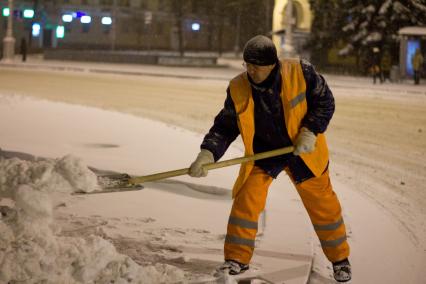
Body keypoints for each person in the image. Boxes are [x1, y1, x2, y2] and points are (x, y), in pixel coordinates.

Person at [188, 35, 351, 282]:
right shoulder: (238, 87)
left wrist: (310, 130)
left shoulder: (301, 72)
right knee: (246, 201)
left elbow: (325, 102)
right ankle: (236, 259)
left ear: (272, 64)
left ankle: (340, 260)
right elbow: (225, 126)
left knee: (323, 206)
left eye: (256, 66)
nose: (251, 71)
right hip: (264, 153)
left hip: (302, 151)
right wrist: (207, 153)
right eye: (247, 65)